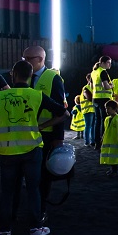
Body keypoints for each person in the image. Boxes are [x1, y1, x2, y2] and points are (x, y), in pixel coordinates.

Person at [0, 60, 68, 235]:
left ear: (13, 74)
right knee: (33, 189)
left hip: (7, 150)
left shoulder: (1, 97)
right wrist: (42, 126)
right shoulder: (37, 95)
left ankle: (4, 232)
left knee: (8, 191)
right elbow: (63, 113)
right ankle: (35, 228)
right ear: (30, 75)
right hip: (32, 149)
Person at [24, 45, 66, 212]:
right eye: (24, 59)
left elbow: (61, 110)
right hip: (26, 133)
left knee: (43, 175)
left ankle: (41, 209)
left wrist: (58, 138)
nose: (25, 62)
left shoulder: (53, 78)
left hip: (46, 135)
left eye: (29, 59)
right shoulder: (24, 76)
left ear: (41, 59)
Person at [90, 56, 113, 148]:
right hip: (104, 99)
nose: (110, 64)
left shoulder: (94, 72)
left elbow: (91, 87)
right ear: (102, 63)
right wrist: (111, 85)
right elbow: (106, 86)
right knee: (104, 120)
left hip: (95, 98)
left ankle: (97, 143)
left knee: (97, 121)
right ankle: (103, 141)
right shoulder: (103, 72)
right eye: (108, 62)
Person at [100, 100, 118, 176]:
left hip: (116, 141)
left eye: (108, 108)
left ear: (114, 109)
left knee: (114, 157)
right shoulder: (107, 119)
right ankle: (112, 170)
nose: (106, 110)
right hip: (109, 141)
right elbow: (106, 130)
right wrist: (103, 138)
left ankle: (115, 171)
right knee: (110, 157)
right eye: (106, 108)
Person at [81, 75, 95, 146]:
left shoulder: (93, 88)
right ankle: (87, 142)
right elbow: (89, 98)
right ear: (88, 79)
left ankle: (93, 141)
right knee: (88, 126)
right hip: (88, 110)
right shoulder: (86, 88)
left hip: (93, 109)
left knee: (93, 126)